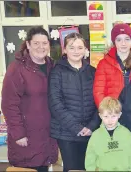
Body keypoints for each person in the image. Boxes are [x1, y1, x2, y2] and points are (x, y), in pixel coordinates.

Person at [1, 26, 58, 172]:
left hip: (46, 135)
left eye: (44, 43)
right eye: (36, 43)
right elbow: (9, 105)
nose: (41, 47)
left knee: (43, 167)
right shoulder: (16, 69)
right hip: (26, 136)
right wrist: (18, 134)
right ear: (28, 44)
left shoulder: (52, 66)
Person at [48, 33, 100, 172]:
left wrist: (92, 126)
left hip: (90, 131)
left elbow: (99, 101)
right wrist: (77, 128)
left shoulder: (93, 72)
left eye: (80, 47)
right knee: (72, 169)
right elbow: (55, 103)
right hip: (66, 133)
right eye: (72, 47)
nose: (76, 51)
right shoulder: (57, 72)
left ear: (85, 49)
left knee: (88, 167)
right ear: (65, 50)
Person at [93, 23, 131, 106]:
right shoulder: (103, 64)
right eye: (119, 40)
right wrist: (108, 113)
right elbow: (98, 92)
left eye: (127, 39)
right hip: (113, 113)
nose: (123, 43)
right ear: (114, 41)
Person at [85, 97, 131, 171]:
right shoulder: (95, 136)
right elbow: (90, 159)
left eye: (113, 116)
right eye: (106, 116)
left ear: (119, 115)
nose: (110, 120)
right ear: (100, 116)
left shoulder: (127, 134)